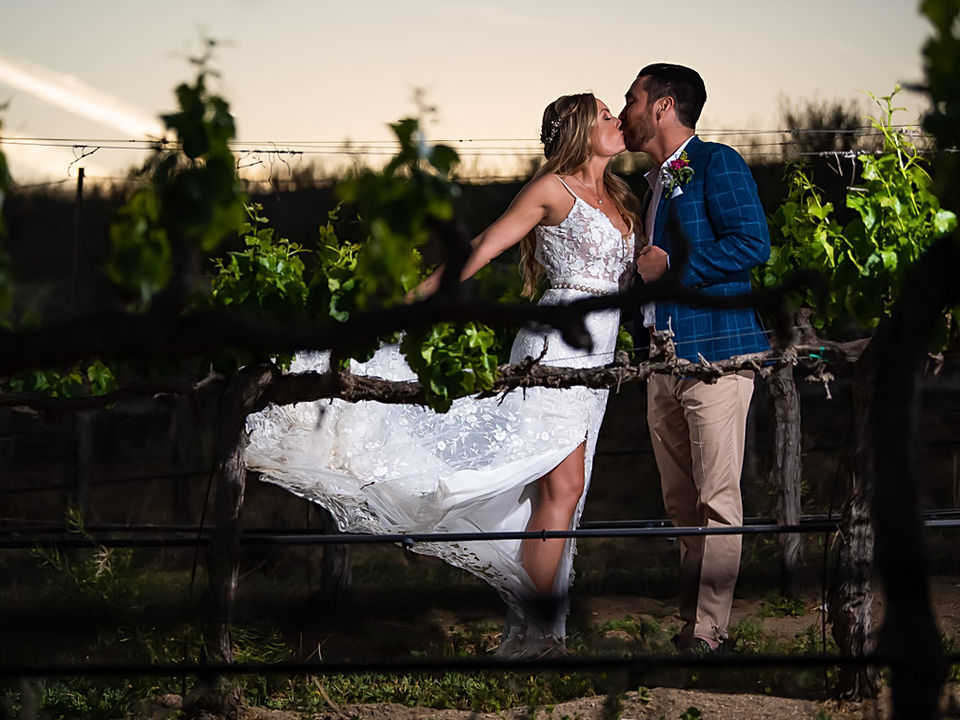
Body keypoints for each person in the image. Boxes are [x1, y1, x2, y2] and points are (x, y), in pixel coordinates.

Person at [245, 93, 638, 657]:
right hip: (554, 346)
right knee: (563, 486)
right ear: (580, 128)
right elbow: (480, 247)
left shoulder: (622, 196)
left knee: (560, 495)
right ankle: (539, 633)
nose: (616, 120)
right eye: (604, 114)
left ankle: (531, 633)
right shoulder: (552, 190)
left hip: (597, 357)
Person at [618, 63, 770, 653]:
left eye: (632, 98)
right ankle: (691, 622)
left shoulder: (717, 163)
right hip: (663, 359)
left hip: (717, 358)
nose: (626, 108)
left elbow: (752, 243)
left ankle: (711, 632)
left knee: (717, 499)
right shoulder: (655, 182)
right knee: (681, 502)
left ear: (661, 106)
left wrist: (671, 269)